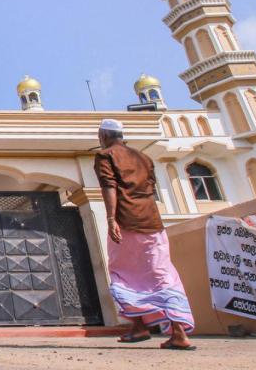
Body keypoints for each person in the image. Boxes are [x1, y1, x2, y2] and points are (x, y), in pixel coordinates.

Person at [95, 118, 196, 351]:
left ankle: (166, 331)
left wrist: (111, 219)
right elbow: (150, 187)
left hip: (127, 222)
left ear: (103, 137)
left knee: (123, 273)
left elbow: (109, 186)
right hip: (153, 222)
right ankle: (151, 328)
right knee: (162, 273)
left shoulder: (105, 156)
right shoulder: (144, 158)